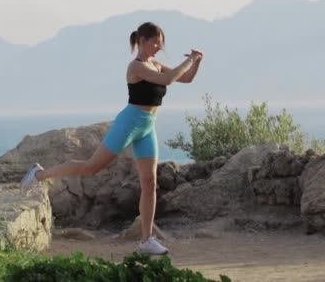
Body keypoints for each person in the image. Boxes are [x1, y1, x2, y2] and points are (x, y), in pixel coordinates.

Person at [20, 21, 203, 255]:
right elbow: (167, 81)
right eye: (155, 41)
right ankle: (38, 174)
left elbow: (186, 79)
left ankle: (146, 240)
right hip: (129, 123)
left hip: (148, 127)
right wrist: (188, 60)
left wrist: (197, 62)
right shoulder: (135, 67)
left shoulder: (155, 64)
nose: (159, 46)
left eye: (161, 42)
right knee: (90, 168)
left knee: (150, 183)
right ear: (142, 41)